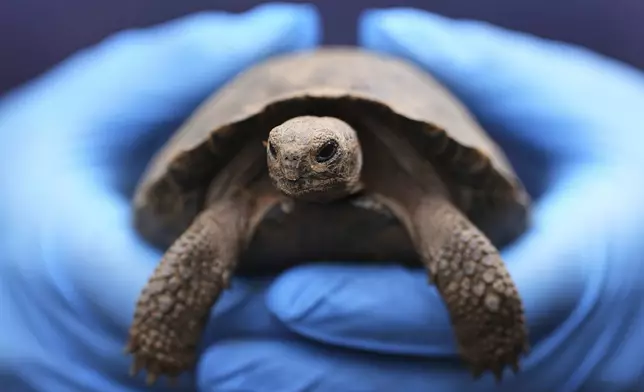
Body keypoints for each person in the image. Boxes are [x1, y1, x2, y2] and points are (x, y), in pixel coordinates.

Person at [1, 3, 643, 391]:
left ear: (354, 149)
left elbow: (453, 234)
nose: (295, 167)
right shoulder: (251, 186)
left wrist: (496, 329)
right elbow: (203, 242)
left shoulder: (418, 192)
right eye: (279, 154)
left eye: (323, 155)